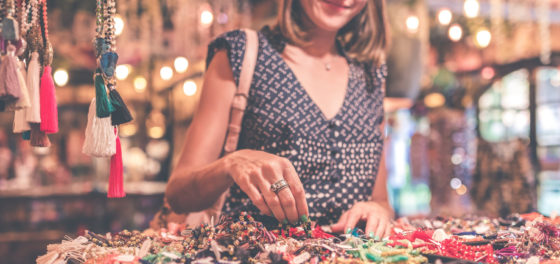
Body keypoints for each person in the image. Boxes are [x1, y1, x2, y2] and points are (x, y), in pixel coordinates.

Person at [166, 0, 394, 238]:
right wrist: (231, 163)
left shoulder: (371, 75)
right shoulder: (241, 52)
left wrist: (377, 210)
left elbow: (381, 201)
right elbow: (178, 194)